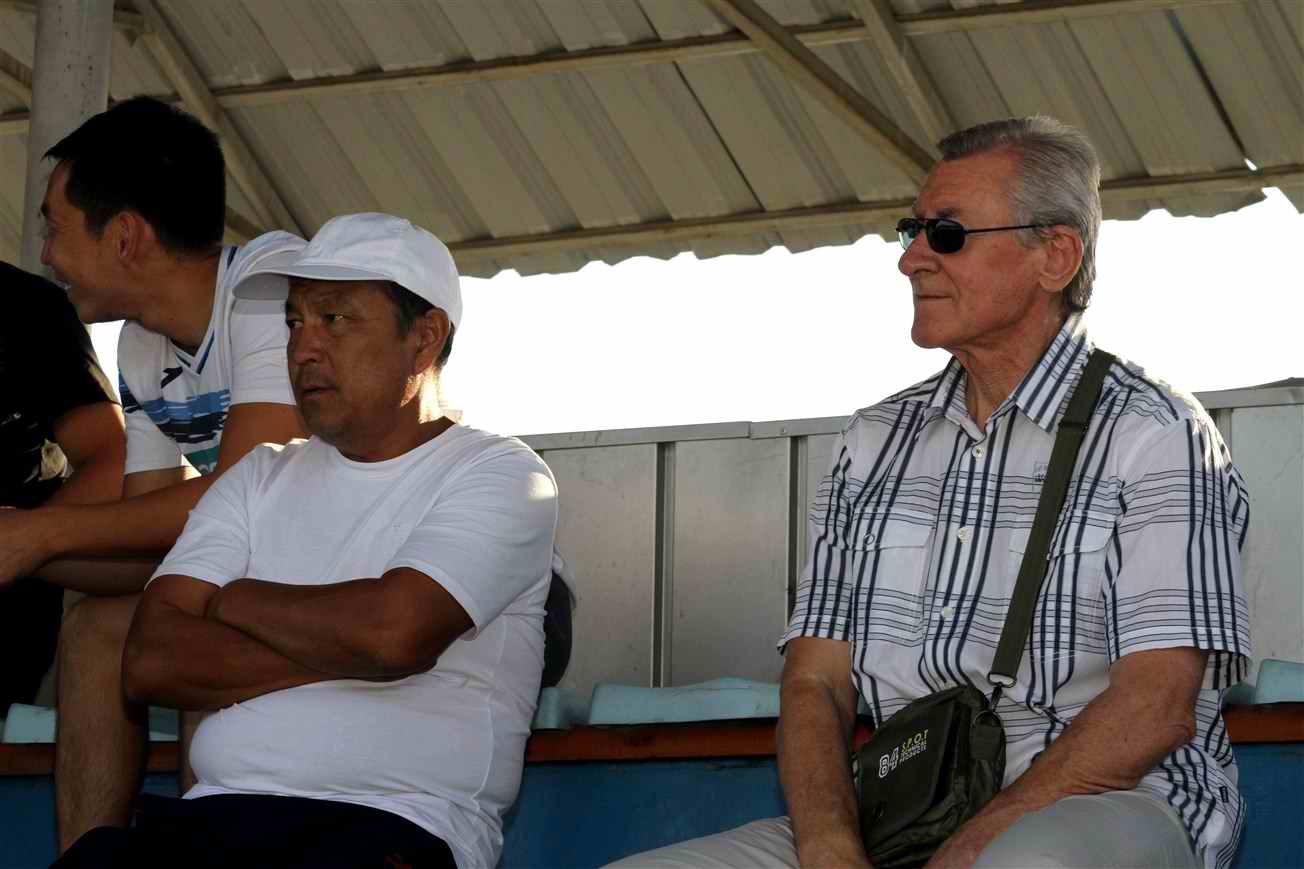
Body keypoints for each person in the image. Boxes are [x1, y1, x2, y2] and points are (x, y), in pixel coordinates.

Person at [608, 117, 1250, 869]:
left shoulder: (1156, 432)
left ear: (1056, 255)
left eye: (946, 233)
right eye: (911, 230)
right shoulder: (874, 439)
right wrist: (829, 846)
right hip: (903, 815)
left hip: (1107, 801)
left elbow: (1156, 705)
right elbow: (816, 683)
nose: (911, 258)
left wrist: (970, 846)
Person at [55, 212, 560, 869]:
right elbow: (151, 660)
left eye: (335, 319)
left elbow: (393, 632)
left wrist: (232, 600)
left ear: (425, 337)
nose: (302, 349)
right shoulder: (256, 477)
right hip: (209, 823)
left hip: (391, 828)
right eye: (294, 322)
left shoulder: (503, 475)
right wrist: (358, 646)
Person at [0, 96, 307, 850]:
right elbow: (148, 540)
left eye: (55, 227)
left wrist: (40, 534)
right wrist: (22, 547)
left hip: (374, 569)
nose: (46, 255)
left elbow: (250, 488)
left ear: (126, 235)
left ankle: (210, 853)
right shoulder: (142, 346)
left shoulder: (271, 284)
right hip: (261, 576)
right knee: (96, 626)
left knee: (195, 620)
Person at [0, 261, 124, 710]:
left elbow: (113, 463)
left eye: (54, 230)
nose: (48, 251)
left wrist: (27, 541)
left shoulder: (25, 306)